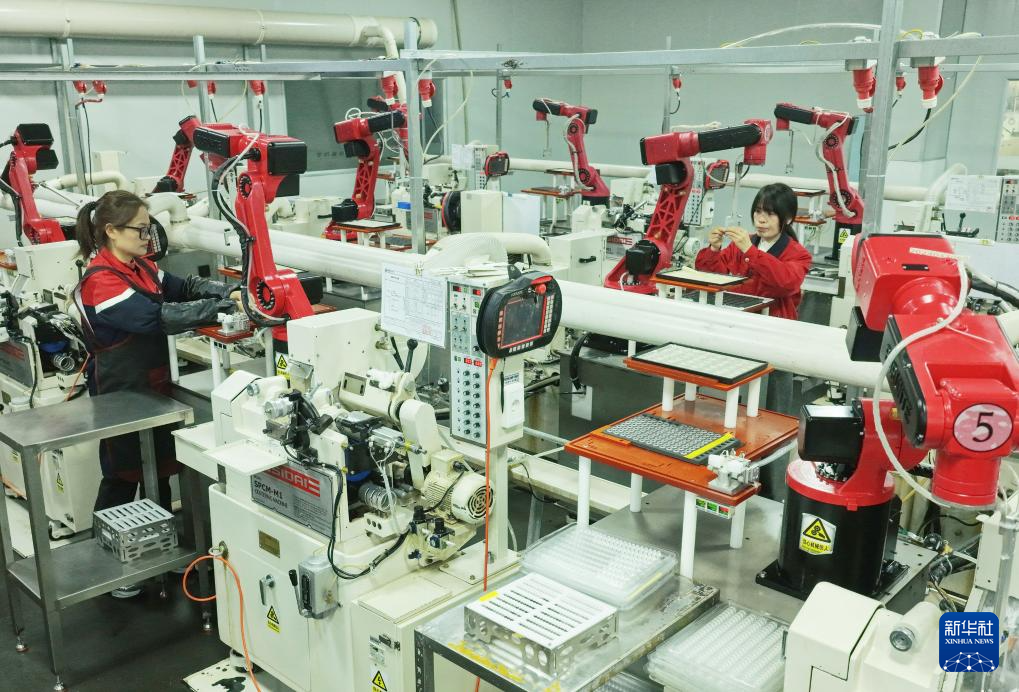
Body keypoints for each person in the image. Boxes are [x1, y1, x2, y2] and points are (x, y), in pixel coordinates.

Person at [74, 190, 241, 597]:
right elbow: (156, 317)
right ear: (112, 231)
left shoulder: (142, 267)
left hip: (153, 383)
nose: (148, 237)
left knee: (160, 467)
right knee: (123, 473)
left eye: (149, 228)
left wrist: (229, 291)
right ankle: (109, 566)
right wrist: (220, 309)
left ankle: (157, 551)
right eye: (140, 229)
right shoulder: (101, 280)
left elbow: (183, 287)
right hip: (120, 389)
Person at [695, 182, 812, 320]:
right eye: (758, 211)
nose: (761, 220)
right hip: (736, 316)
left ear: (788, 218)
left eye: (771, 213)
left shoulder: (798, 254)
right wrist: (714, 249)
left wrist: (750, 251)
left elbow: (786, 283)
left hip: (772, 322)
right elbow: (712, 277)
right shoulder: (740, 244)